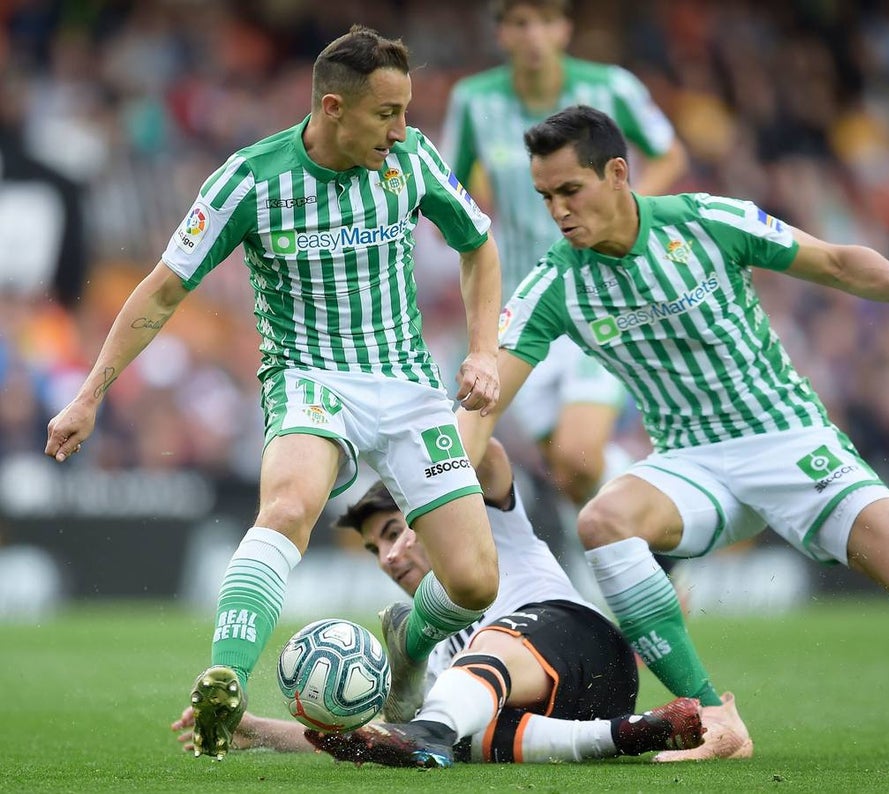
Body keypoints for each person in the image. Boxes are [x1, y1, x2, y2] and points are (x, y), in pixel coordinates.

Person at [457, 104, 889, 761]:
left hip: (789, 439)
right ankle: (717, 722)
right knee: (603, 521)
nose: (557, 211)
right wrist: (445, 496)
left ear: (617, 174)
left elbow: (834, 261)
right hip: (691, 461)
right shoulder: (554, 284)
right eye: (546, 197)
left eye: (570, 190)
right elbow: (487, 401)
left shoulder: (705, 221)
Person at [45, 26, 504, 761]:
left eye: (405, 111)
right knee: (288, 506)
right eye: (387, 113)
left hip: (408, 386)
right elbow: (162, 290)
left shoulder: (411, 160)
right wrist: (89, 395)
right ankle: (224, 680)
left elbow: (478, 245)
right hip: (308, 380)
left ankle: (407, 642)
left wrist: (481, 350)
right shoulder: (250, 180)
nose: (401, 129)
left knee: (476, 583)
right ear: (333, 108)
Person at [171, 439, 704, 766]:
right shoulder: (441, 656)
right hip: (582, 711)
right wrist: (256, 729)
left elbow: (489, 456)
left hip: (586, 646)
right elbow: (377, 737)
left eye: (394, 531)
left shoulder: (494, 528)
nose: (388, 556)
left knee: (451, 705)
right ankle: (627, 734)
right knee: (455, 732)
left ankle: (434, 733)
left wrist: (424, 478)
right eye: (376, 549)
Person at [440, 0, 688, 513]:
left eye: (545, 21)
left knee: (578, 454)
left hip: (604, 294)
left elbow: (669, 154)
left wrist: (624, 214)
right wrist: (478, 228)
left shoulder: (612, 87)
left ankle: (657, 516)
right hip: (525, 304)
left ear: (564, 29)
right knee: (570, 470)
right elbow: (448, 185)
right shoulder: (473, 100)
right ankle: (637, 529)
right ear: (501, 33)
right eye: (520, 22)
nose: (533, 35)